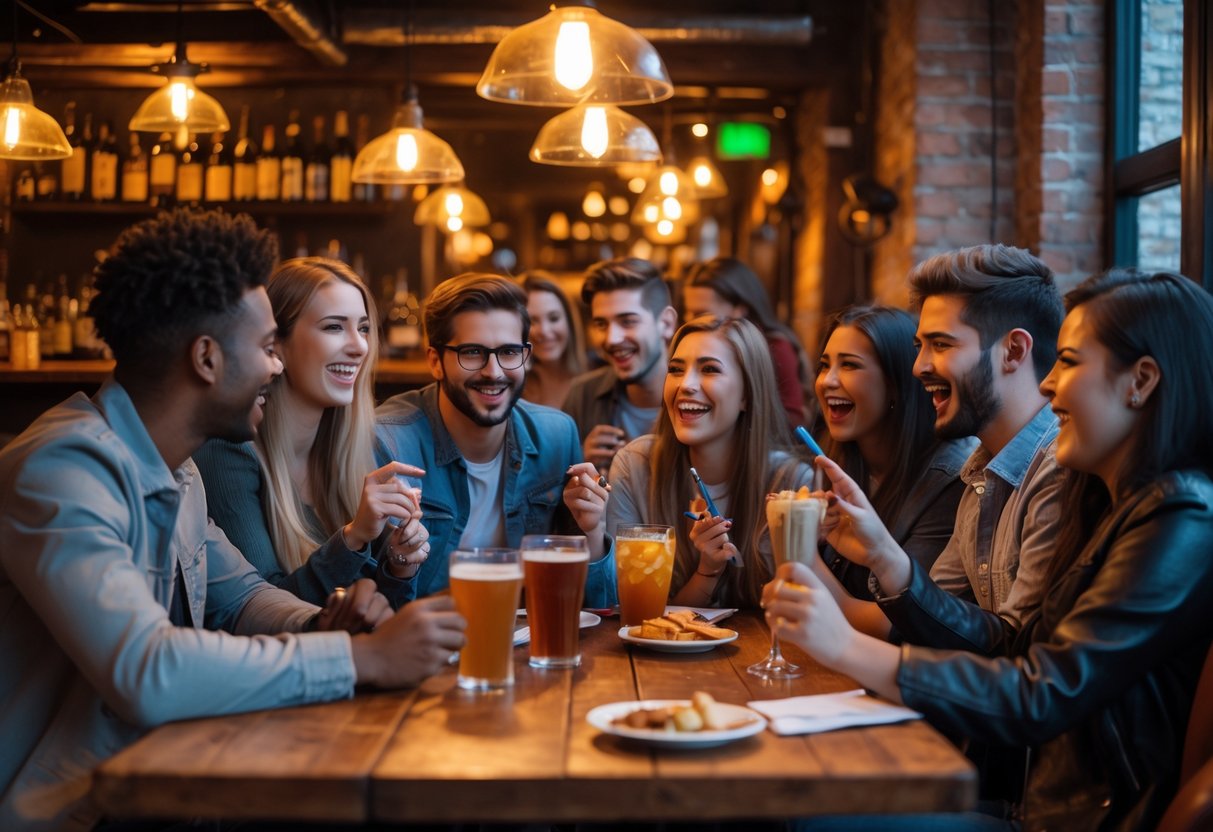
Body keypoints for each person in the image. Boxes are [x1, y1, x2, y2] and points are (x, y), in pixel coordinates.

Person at [0, 209, 465, 831]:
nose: (276, 367)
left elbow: (242, 598)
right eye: (267, 347)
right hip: (66, 811)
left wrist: (331, 621)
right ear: (207, 359)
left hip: (164, 785)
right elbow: (145, 671)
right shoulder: (62, 470)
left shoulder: (178, 471)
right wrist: (360, 661)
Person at [768, 269, 1213, 831]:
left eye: (1070, 362)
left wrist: (850, 650)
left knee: (803, 817)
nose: (1048, 385)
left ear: (1141, 381)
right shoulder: (1106, 497)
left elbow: (1040, 694)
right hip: (1032, 804)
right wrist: (884, 556)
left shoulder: (1182, 515)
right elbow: (1009, 641)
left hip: (1065, 819)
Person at [816, 245, 1066, 640]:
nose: (919, 367)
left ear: (1013, 350)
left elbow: (1019, 652)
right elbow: (929, 625)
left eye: (942, 344)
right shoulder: (978, 477)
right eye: (920, 347)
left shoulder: (1058, 471)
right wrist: (880, 551)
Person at [194, 257, 429, 609]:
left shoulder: (349, 450)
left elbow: (376, 617)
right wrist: (352, 539)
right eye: (334, 327)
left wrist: (399, 564)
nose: (359, 346)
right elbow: (259, 613)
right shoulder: (228, 451)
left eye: (363, 328)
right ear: (277, 344)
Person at [375, 272, 614, 606]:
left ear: (526, 356)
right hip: (429, 647)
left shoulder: (557, 436)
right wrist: (399, 562)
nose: (494, 371)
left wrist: (591, 532)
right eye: (473, 352)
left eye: (508, 352)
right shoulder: (390, 442)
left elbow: (592, 605)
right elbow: (373, 605)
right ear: (435, 362)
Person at [604, 316, 814, 609]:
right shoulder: (636, 466)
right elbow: (631, 608)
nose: (686, 385)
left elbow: (803, 607)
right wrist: (708, 571)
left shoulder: (793, 484)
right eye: (676, 370)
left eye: (710, 369)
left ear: (747, 394)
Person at [814, 305, 976, 600]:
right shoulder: (838, 461)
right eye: (825, 365)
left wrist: (800, 553)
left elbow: (900, 625)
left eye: (849, 365)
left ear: (895, 384)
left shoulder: (949, 479)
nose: (827, 381)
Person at [563, 257, 678, 473]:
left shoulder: (695, 398)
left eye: (627, 321)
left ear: (666, 323)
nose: (611, 338)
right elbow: (551, 500)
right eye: (601, 324)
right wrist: (578, 462)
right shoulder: (582, 394)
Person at [684, 256, 811, 429]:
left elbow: (794, 419)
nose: (691, 322)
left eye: (701, 313)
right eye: (688, 313)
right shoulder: (688, 347)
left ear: (739, 310)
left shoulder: (776, 348)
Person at [519, 270, 587, 408]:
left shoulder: (599, 376)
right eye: (532, 321)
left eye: (554, 318)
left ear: (569, 321)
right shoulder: (511, 388)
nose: (544, 331)